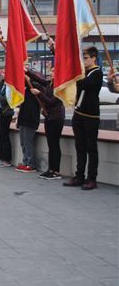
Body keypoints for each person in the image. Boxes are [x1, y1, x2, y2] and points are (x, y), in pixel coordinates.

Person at [63, 47, 103, 190]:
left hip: (91, 116)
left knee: (91, 148)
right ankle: (79, 176)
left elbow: (84, 84)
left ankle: (92, 179)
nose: (84, 61)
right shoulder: (83, 73)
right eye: (83, 58)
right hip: (78, 114)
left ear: (94, 58)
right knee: (79, 147)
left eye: (86, 58)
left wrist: (75, 74)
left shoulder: (97, 73)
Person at [27, 69, 65, 180]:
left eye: (54, 71)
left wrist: (39, 94)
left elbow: (52, 102)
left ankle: (56, 171)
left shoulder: (60, 87)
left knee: (54, 144)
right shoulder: (50, 83)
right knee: (50, 144)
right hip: (49, 117)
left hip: (56, 118)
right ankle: (50, 169)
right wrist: (27, 71)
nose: (51, 73)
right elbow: (39, 79)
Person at [15, 73, 41, 173]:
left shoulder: (35, 86)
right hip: (23, 118)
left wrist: (27, 77)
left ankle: (31, 164)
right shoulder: (24, 88)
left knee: (28, 142)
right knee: (23, 142)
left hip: (31, 119)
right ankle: (25, 162)